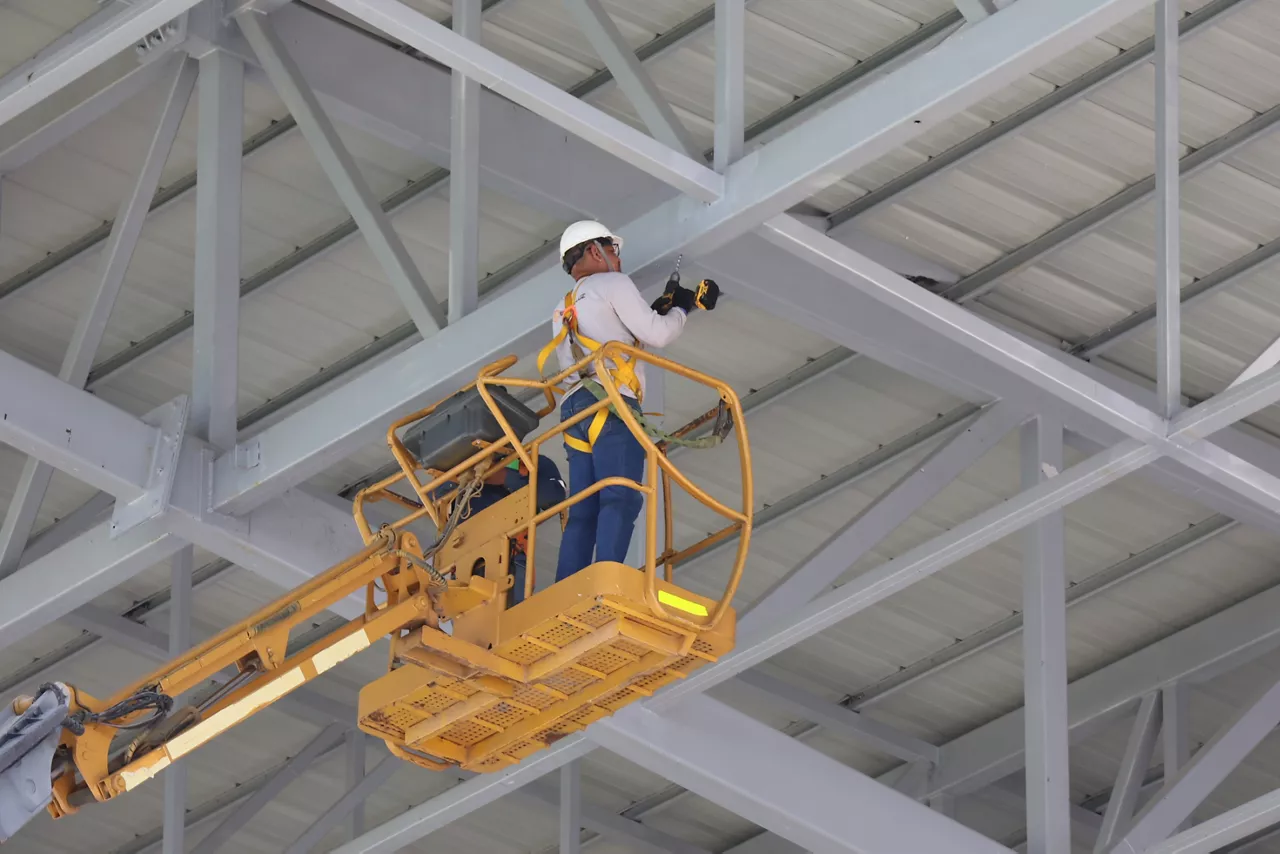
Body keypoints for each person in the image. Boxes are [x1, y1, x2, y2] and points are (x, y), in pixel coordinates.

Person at [542, 220, 717, 584]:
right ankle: (607, 584)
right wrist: (682, 307)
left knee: (584, 509)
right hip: (612, 405)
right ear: (595, 251)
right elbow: (658, 333)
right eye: (614, 251)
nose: (618, 260)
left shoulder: (561, 308)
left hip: (576, 409)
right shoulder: (614, 284)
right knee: (620, 497)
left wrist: (656, 310)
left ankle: (566, 590)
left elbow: (611, 335)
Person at [431, 455, 566, 607]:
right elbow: (430, 500)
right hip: (463, 567)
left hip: (509, 562)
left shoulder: (529, 461)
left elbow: (553, 495)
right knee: (470, 626)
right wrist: (462, 478)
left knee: (508, 623)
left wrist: (505, 477)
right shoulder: (456, 467)